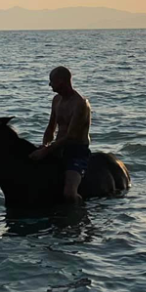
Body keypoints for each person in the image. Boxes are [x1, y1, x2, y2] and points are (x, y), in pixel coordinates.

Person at [29, 66, 92, 203]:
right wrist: (44, 145)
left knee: (69, 193)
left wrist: (46, 151)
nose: (49, 84)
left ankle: (80, 211)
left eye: (52, 81)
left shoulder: (80, 104)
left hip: (76, 150)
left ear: (61, 81)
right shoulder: (56, 100)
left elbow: (71, 136)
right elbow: (51, 128)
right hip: (58, 147)